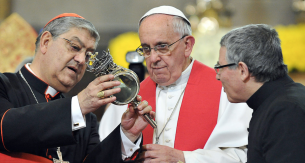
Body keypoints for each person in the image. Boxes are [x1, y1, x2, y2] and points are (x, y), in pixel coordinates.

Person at [99, 6, 252, 163]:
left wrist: (184, 158)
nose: (152, 58)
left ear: (187, 46)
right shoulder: (129, 96)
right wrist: (128, 138)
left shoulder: (226, 90)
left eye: (162, 47)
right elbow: (101, 156)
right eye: (146, 49)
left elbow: (243, 155)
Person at [0, 13, 154, 163]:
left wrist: (126, 136)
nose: (81, 60)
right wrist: (78, 106)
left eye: (88, 55)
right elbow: (5, 130)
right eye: (74, 47)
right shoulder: (4, 86)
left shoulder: (86, 119)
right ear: (46, 42)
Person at [216, 24, 305, 163]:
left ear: (243, 70)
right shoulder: (279, 101)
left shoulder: (286, 111)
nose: (218, 76)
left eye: (220, 67)